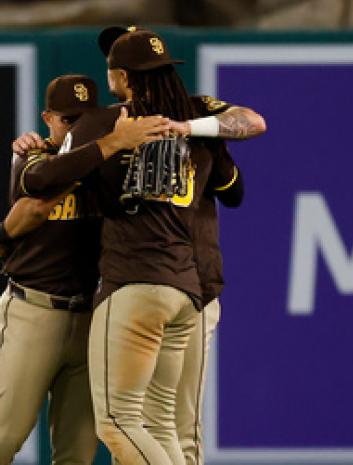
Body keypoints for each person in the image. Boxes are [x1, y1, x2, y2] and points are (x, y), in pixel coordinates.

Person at [17, 27, 265, 465]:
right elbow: (239, 177)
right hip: (189, 286)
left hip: (136, 281)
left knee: (120, 421)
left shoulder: (105, 123)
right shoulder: (199, 117)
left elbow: (40, 182)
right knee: (165, 425)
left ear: (122, 77)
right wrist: (191, 132)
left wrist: (40, 153)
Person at [0, 74, 170, 465]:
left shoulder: (108, 162)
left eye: (84, 119)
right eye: (67, 120)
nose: (76, 127)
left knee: (77, 454)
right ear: (48, 118)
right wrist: (104, 149)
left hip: (91, 316)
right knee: (0, 441)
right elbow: (35, 203)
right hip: (35, 311)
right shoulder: (34, 155)